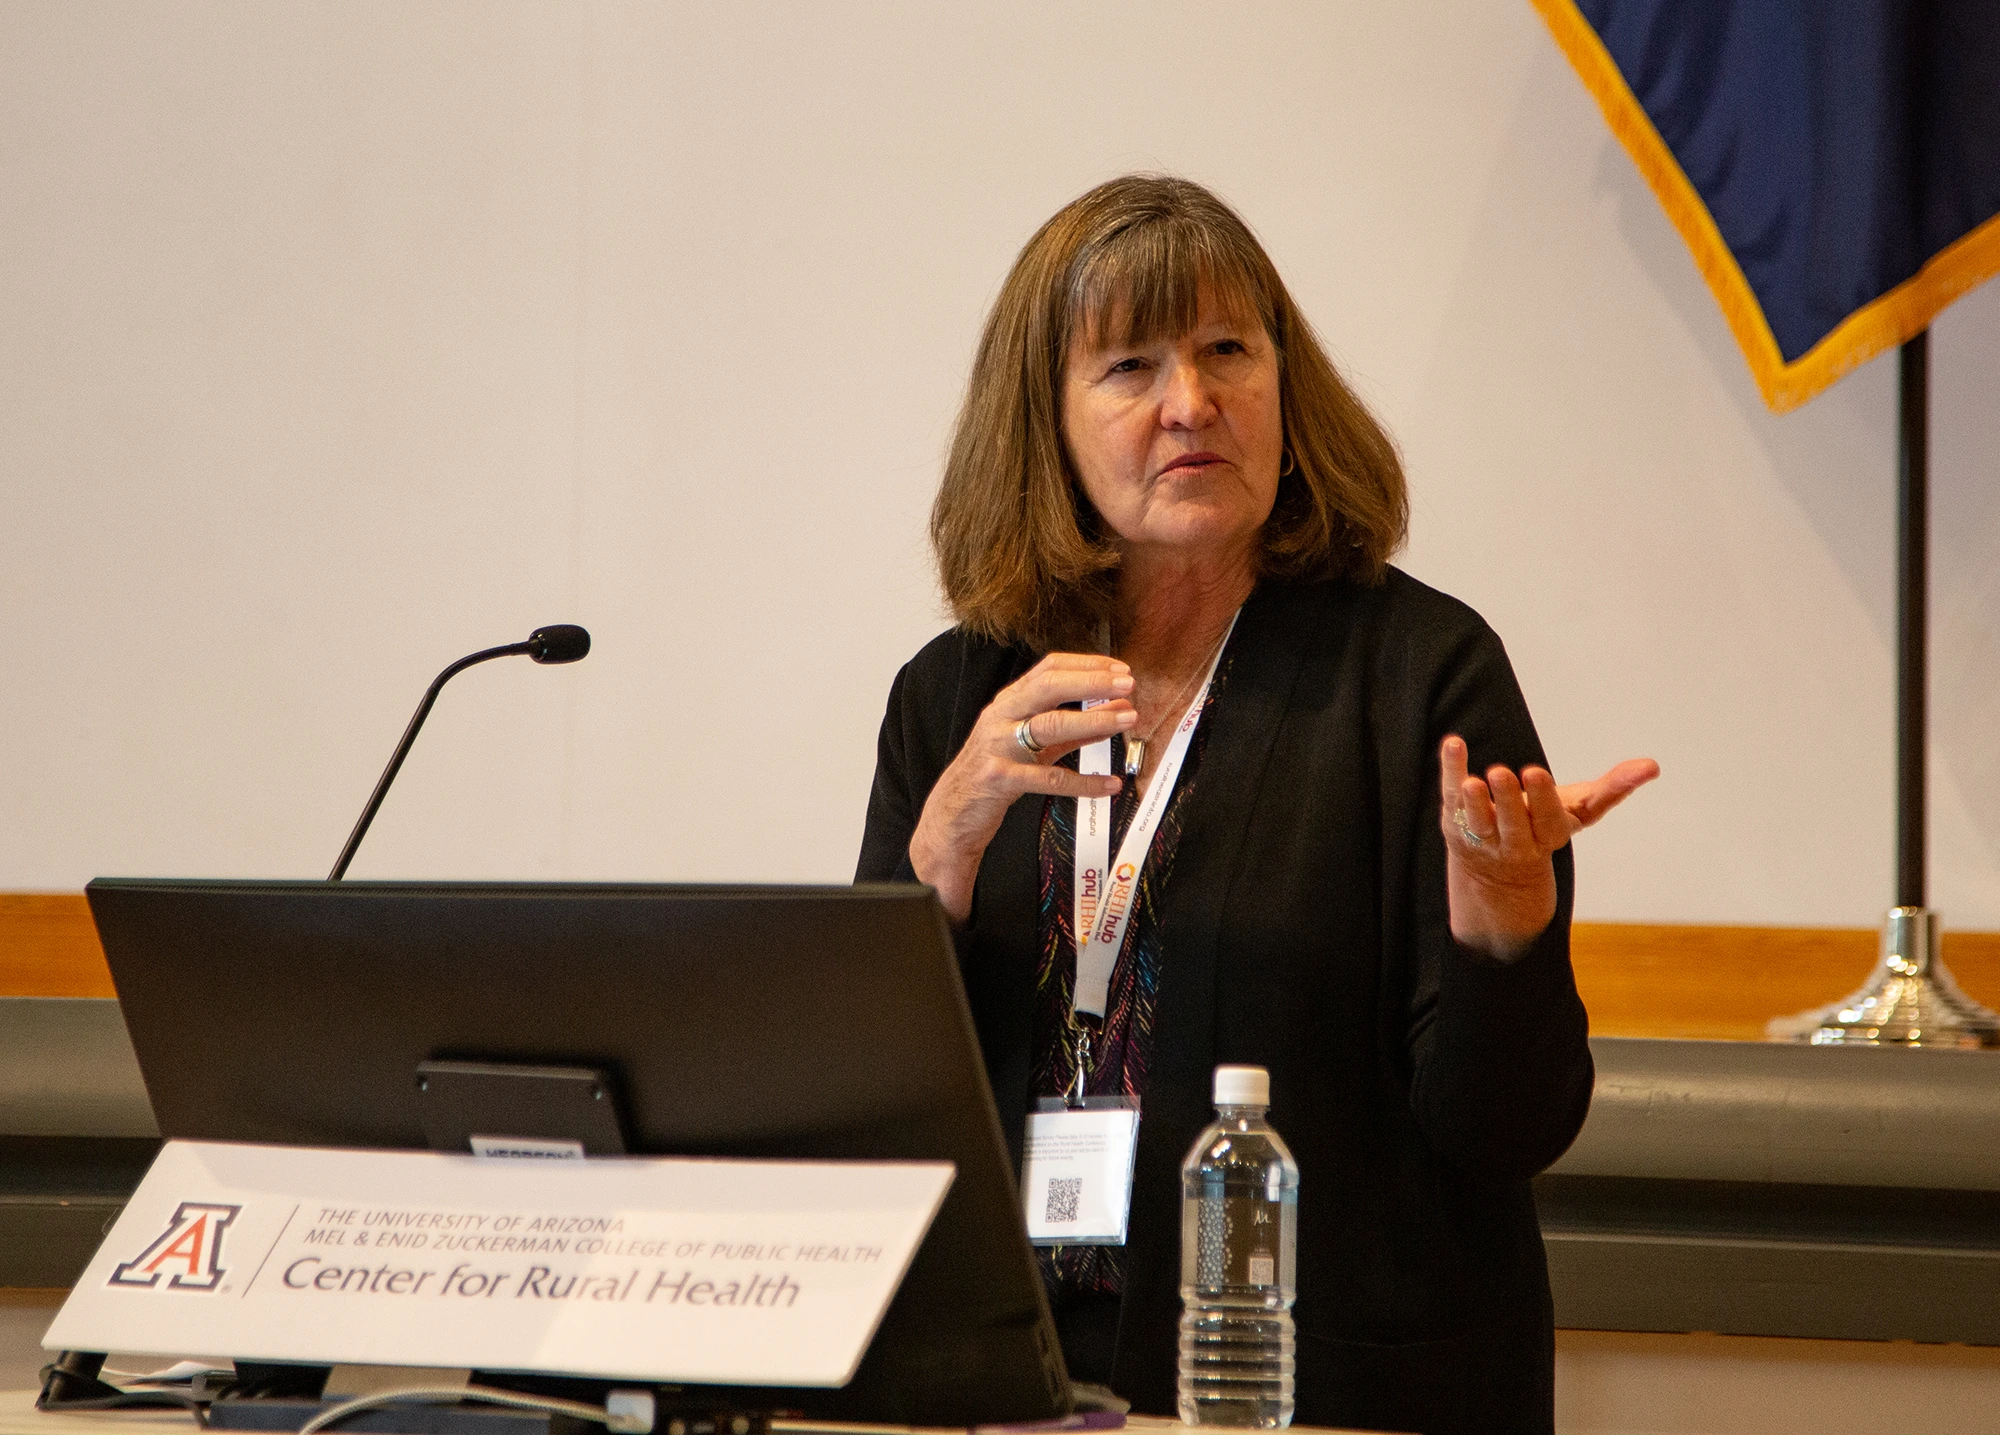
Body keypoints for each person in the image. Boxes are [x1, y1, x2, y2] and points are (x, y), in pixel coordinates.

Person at [856, 174, 1656, 1435]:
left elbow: (1505, 1133)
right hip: (1004, 1386)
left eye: (1227, 349)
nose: (1192, 403)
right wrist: (938, 854)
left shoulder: (1414, 676)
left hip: (1321, 1391)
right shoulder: (956, 695)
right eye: (1128, 367)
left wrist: (1505, 930)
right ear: (1044, 421)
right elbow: (872, 1114)